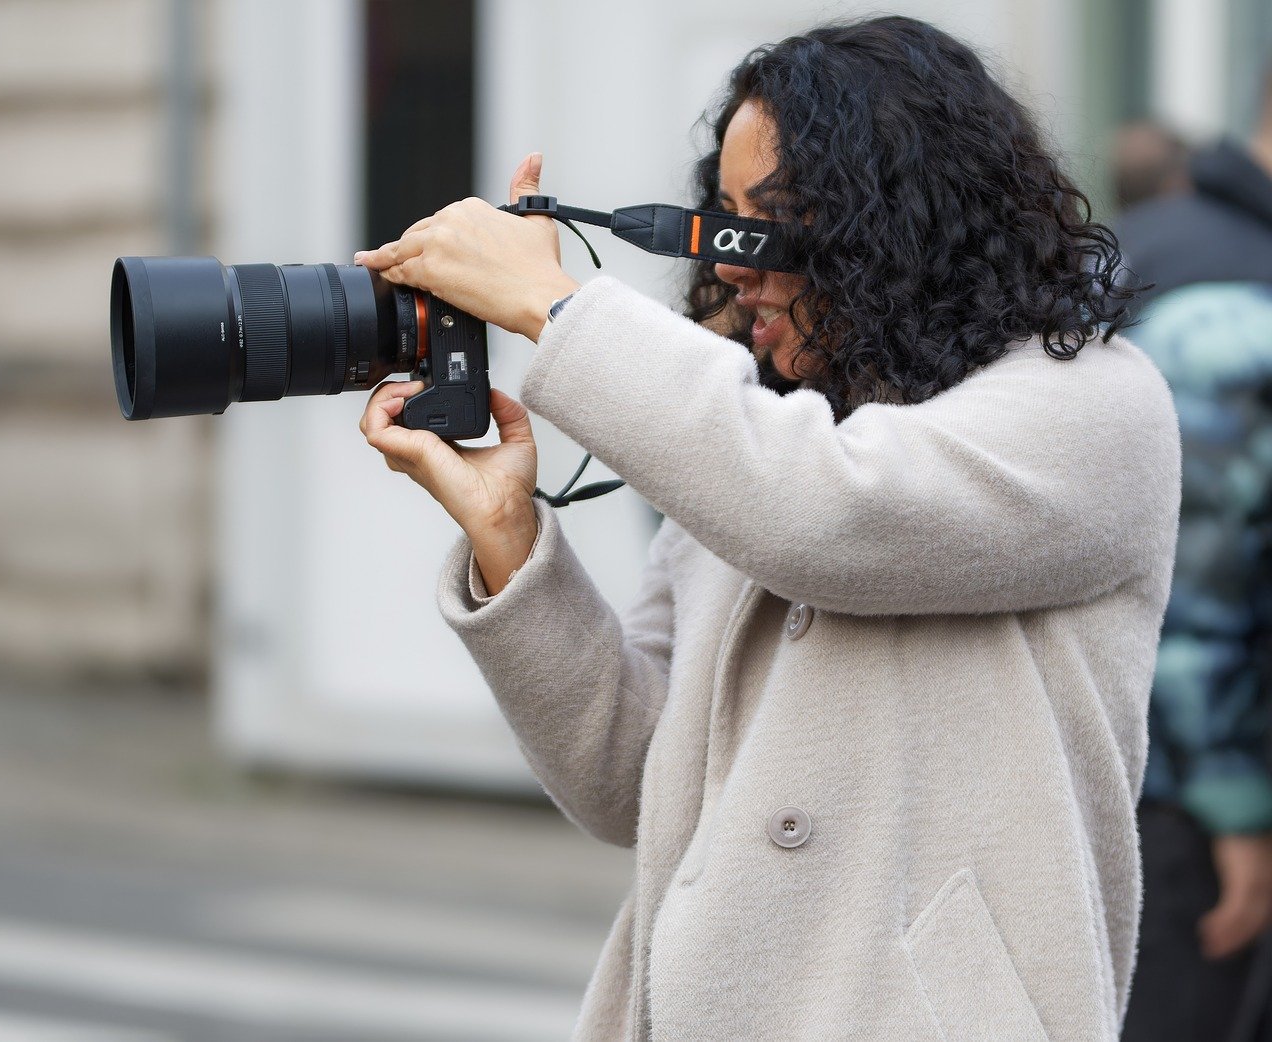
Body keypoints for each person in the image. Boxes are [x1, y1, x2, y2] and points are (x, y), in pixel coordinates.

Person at [356, 17, 1180, 1040]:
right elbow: (628, 780)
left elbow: (827, 516)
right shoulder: (757, 434)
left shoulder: (1092, 404)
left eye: (775, 221)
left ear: (901, 223)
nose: (735, 263)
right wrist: (509, 534)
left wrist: (553, 306)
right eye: (724, 216)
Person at [1116, 66, 1272, 1042]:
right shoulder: (1233, 296)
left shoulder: (1147, 244)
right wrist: (1233, 811)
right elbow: (1192, 583)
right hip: (1187, 809)